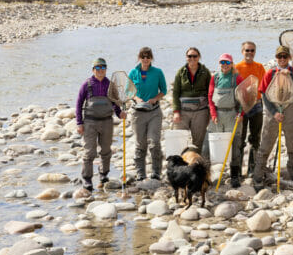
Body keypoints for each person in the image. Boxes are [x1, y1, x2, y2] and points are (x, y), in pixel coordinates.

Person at [253, 46, 293, 190]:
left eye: (285, 56)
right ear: (276, 58)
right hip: (273, 113)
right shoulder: (270, 73)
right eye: (279, 57)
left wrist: (291, 76)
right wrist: (274, 112)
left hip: (291, 113)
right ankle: (257, 177)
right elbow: (264, 94)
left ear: (289, 58)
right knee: (265, 145)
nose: (282, 59)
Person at [75, 58, 125, 191]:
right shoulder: (86, 84)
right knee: (89, 152)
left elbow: (115, 102)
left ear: (106, 69)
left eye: (103, 67)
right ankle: (87, 179)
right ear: (93, 70)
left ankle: (103, 174)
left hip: (107, 121)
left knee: (106, 150)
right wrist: (79, 123)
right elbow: (79, 104)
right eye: (98, 68)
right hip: (90, 122)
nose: (101, 70)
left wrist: (120, 114)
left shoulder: (111, 84)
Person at [129, 47, 167, 182]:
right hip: (137, 113)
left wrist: (155, 98)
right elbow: (128, 91)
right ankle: (140, 173)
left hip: (154, 112)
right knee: (140, 144)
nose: (145, 59)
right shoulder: (133, 72)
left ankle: (156, 172)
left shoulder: (158, 72)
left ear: (151, 58)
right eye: (143, 56)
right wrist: (136, 98)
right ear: (139, 58)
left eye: (148, 56)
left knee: (154, 142)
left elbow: (164, 90)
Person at [209, 53, 244, 188]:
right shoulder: (215, 78)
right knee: (216, 146)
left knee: (234, 145)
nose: (224, 65)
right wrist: (213, 114)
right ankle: (214, 175)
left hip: (232, 115)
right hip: (217, 116)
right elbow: (210, 96)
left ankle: (234, 176)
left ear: (231, 64)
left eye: (227, 63)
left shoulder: (237, 78)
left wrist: (240, 113)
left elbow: (243, 98)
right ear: (219, 64)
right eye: (222, 62)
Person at [172, 47, 212, 156]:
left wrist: (211, 111)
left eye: (195, 56)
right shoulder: (180, 72)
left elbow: (210, 92)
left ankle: (195, 164)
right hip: (183, 111)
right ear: (186, 58)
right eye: (190, 56)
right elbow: (175, 92)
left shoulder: (205, 72)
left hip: (201, 111)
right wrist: (176, 111)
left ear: (199, 57)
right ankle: (181, 164)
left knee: (198, 142)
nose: (192, 58)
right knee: (179, 139)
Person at [235, 41, 266, 178]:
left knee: (255, 138)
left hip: (257, 105)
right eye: (247, 50)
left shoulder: (259, 67)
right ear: (242, 52)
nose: (249, 53)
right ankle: (237, 170)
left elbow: (265, 85)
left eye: (252, 50)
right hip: (241, 106)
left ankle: (252, 169)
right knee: (240, 139)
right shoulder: (236, 67)